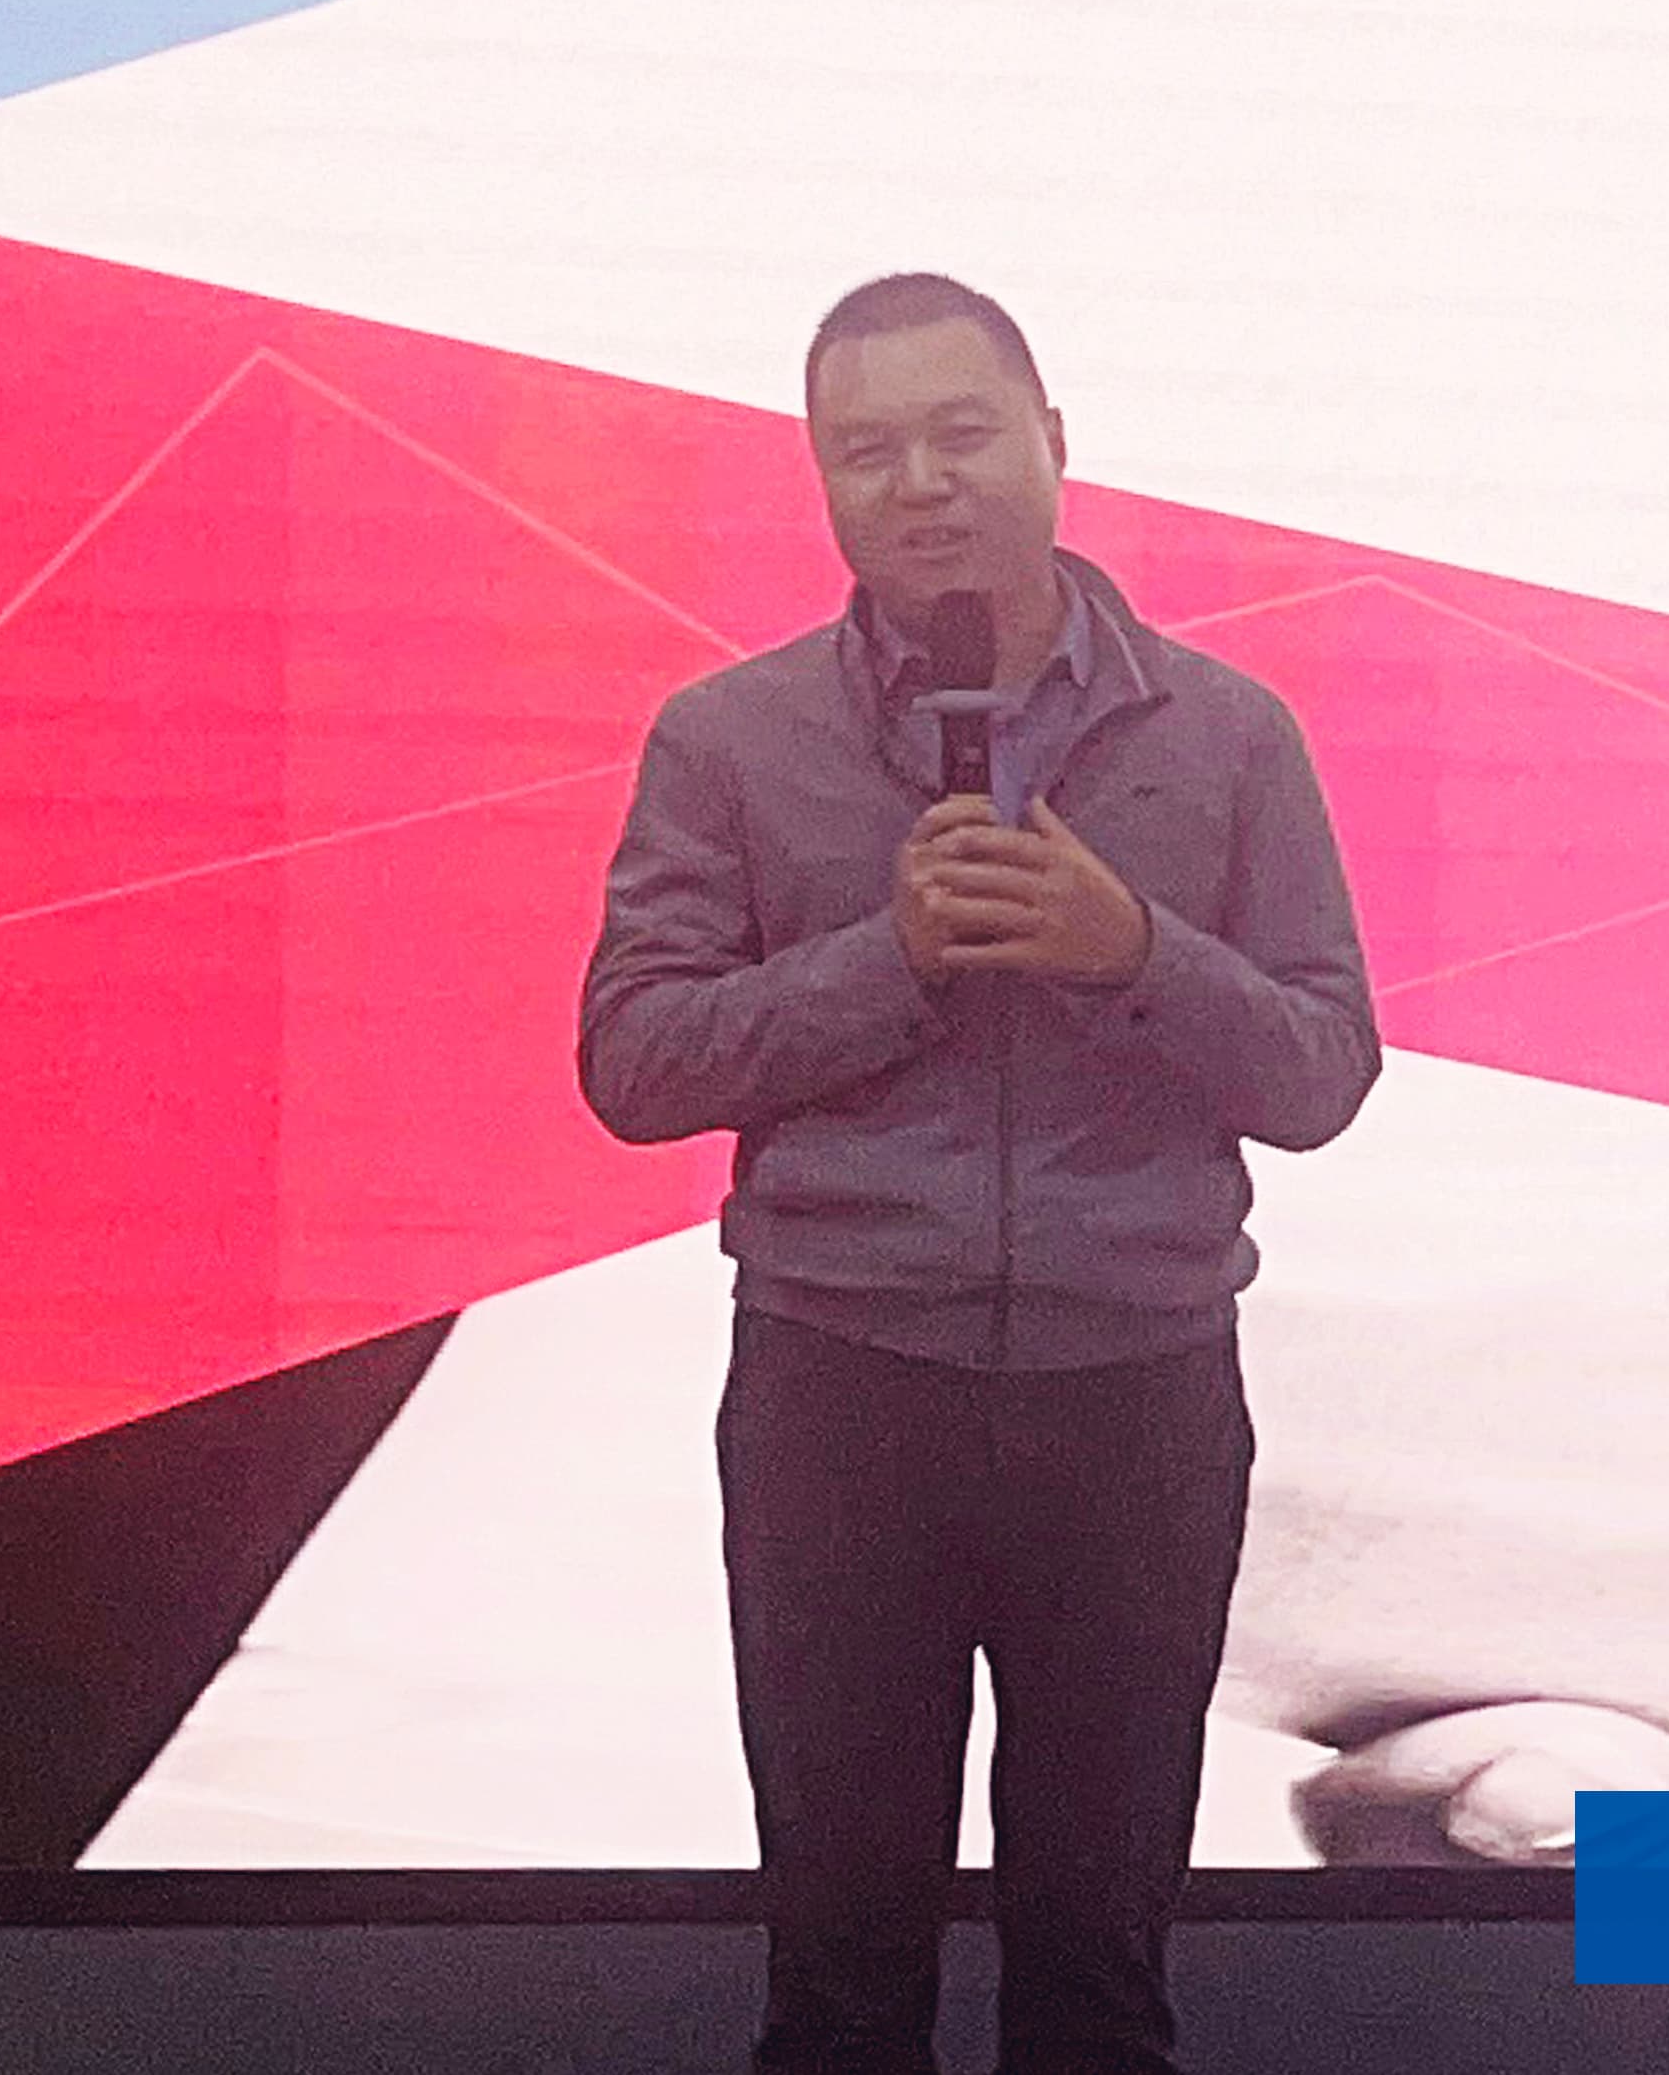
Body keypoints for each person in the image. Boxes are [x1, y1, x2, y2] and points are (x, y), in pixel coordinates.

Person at [578, 271, 1381, 2075]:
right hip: (842, 1397)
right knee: (841, 1976)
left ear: (1053, 442)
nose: (921, 482)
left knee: (1099, 1975)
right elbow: (634, 1060)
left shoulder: (1226, 732)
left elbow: (1323, 1069)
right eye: (867, 450)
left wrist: (1133, 950)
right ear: (822, 482)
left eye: (962, 432)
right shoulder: (731, 737)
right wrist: (889, 959)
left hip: (1137, 1402)